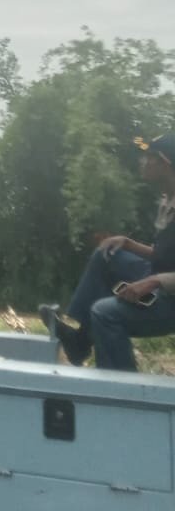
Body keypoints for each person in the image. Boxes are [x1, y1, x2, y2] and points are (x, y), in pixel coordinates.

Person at [49, 132, 175, 372]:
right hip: (160, 278)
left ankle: (123, 391)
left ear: (165, 162)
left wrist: (153, 281)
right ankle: (80, 342)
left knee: (104, 313)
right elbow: (164, 255)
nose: (142, 161)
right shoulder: (167, 199)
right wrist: (127, 243)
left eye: (148, 156)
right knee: (107, 253)